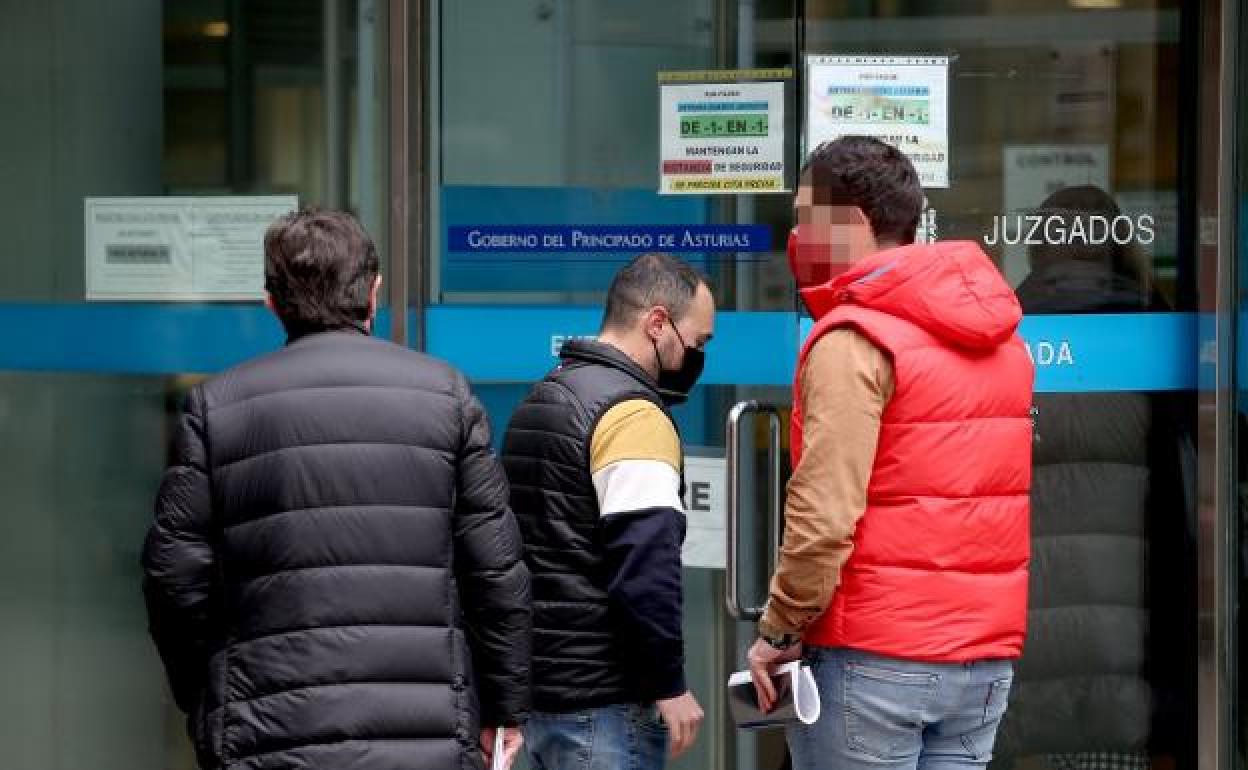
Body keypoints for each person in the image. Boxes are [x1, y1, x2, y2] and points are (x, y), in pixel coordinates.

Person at [140, 208, 532, 770]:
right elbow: (495, 573)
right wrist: (505, 708)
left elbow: (174, 578)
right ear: (374, 292)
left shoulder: (216, 408)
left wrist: (209, 696)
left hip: (267, 732)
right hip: (424, 736)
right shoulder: (446, 396)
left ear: (272, 304)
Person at [746, 136, 1035, 770]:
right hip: (982, 662)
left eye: (805, 217)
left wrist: (780, 628)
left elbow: (824, 515)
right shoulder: (1002, 340)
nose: (796, 237)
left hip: (873, 659)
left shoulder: (853, 340)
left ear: (850, 222)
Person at [992, 185, 1197, 770]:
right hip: (1136, 601)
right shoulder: (1158, 329)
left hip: (1032, 601)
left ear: (1036, 251)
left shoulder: (1005, 334)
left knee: (1042, 726)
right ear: (1119, 248)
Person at [501, 253, 714, 769]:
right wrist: (669, 682)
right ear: (657, 324)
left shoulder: (543, 398)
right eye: (696, 342)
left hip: (544, 697)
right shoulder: (632, 415)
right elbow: (645, 563)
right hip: (607, 704)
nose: (696, 357)